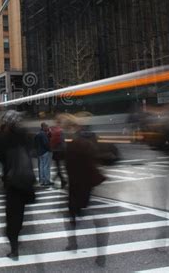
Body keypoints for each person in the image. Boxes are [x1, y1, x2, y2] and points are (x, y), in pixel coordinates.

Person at [61, 114, 108, 267]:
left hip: (80, 186)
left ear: (71, 127)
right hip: (92, 184)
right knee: (98, 220)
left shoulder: (75, 143)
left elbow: (72, 167)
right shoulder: (90, 138)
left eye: (66, 128)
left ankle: (73, 244)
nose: (65, 131)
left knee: (71, 217)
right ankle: (101, 256)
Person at [0, 110, 36, 260]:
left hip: (11, 182)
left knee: (11, 215)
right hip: (26, 181)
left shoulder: (3, 137)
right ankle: (18, 234)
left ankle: (14, 249)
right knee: (20, 213)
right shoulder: (26, 135)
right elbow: (33, 151)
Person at [50, 116, 67, 188]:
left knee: (58, 167)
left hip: (55, 152)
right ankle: (62, 180)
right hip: (60, 151)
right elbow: (62, 142)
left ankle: (58, 180)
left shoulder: (53, 130)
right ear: (60, 123)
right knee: (60, 167)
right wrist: (65, 149)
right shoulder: (60, 131)